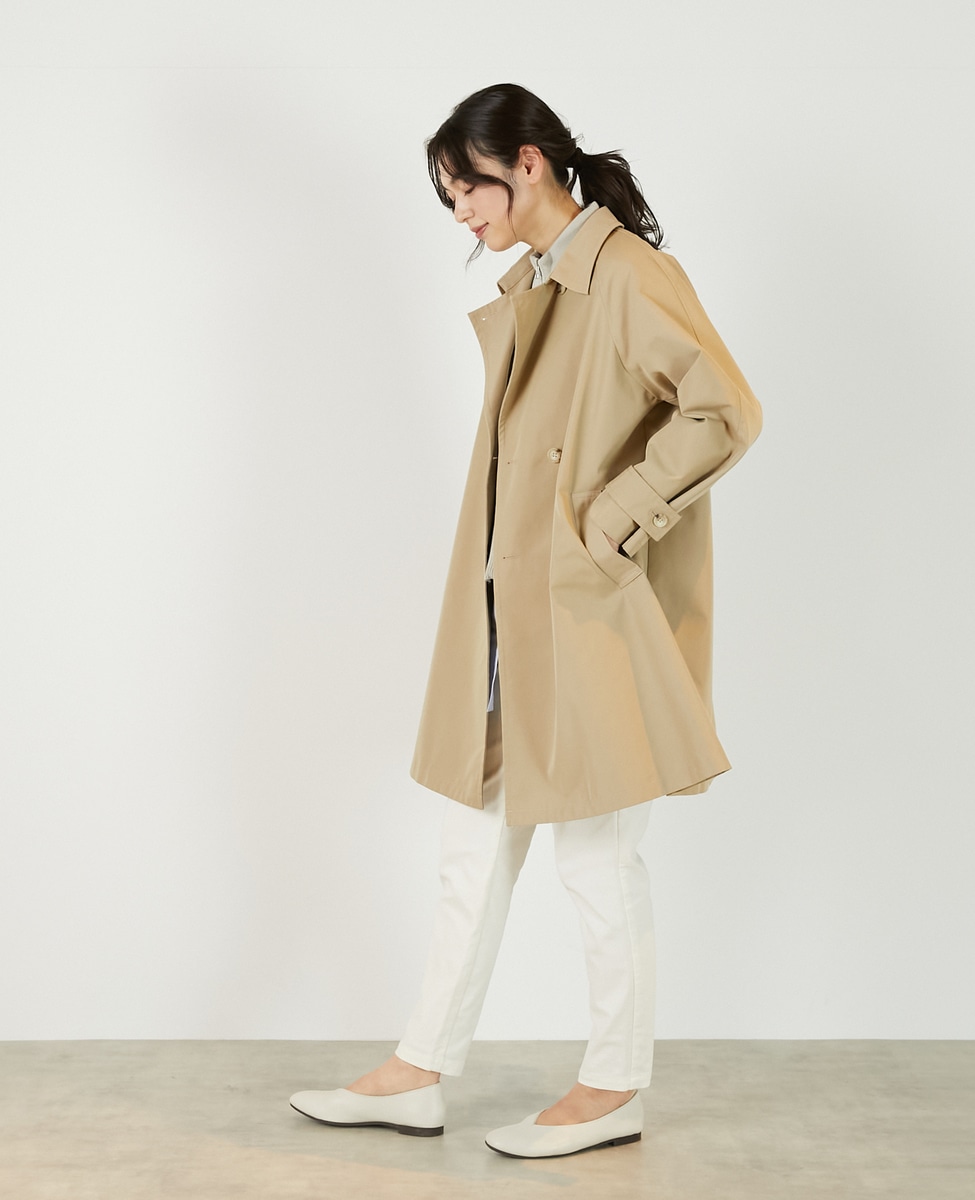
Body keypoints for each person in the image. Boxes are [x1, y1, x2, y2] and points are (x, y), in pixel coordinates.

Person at [290, 82, 762, 1159]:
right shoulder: (542, 281)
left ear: (530, 163)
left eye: (468, 188)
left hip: (590, 619)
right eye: (449, 196)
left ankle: (613, 1087)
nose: (460, 212)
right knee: (472, 844)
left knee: (597, 857)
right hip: (517, 623)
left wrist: (612, 523)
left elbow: (723, 409)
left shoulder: (627, 274)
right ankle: (419, 1068)